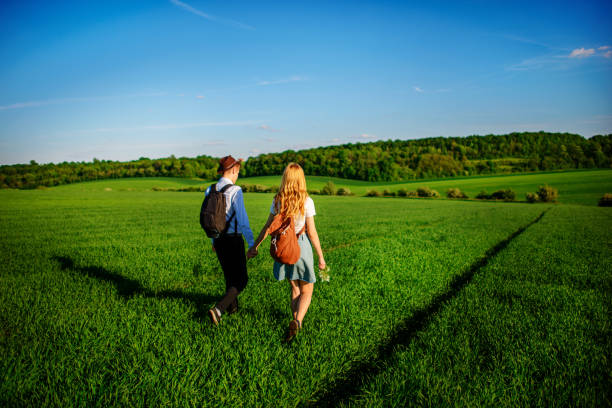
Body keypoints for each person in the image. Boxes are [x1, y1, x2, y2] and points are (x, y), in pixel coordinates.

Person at [248, 163, 326, 342]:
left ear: (285, 179)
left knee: (295, 288)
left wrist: (255, 246)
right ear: (301, 180)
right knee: (307, 290)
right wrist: (321, 256)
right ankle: (297, 321)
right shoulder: (306, 201)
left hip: (283, 248)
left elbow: (268, 227)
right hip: (301, 246)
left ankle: (295, 321)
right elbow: (312, 232)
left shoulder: (277, 200)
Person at [207, 155, 255, 325]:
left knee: (229, 277)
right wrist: (252, 244)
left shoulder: (210, 189)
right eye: (238, 171)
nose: (238, 175)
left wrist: (213, 242)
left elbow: (210, 218)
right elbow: (242, 220)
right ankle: (218, 309)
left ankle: (232, 310)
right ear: (234, 170)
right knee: (241, 280)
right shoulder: (236, 191)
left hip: (218, 240)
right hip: (233, 240)